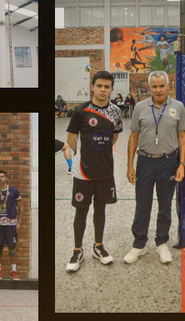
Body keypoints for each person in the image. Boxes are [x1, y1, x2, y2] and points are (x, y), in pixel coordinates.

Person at [123, 71, 185, 265]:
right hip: (145, 161)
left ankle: (162, 243)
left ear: (168, 86)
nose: (158, 90)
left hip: (168, 161)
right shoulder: (140, 107)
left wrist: (181, 164)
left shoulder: (178, 107)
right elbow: (133, 136)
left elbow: (182, 136)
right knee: (142, 204)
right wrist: (130, 165)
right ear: (149, 87)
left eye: (162, 86)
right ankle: (139, 244)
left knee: (165, 204)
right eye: (154, 86)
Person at [64, 70, 122, 272]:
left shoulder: (115, 112)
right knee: (81, 211)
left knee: (101, 209)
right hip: (83, 173)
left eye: (107, 87)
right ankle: (77, 250)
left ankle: (98, 247)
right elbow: (71, 140)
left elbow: (114, 137)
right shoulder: (80, 111)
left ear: (112, 89)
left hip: (105, 171)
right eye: (99, 86)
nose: (103, 90)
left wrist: (100, 153)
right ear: (93, 87)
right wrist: (85, 156)